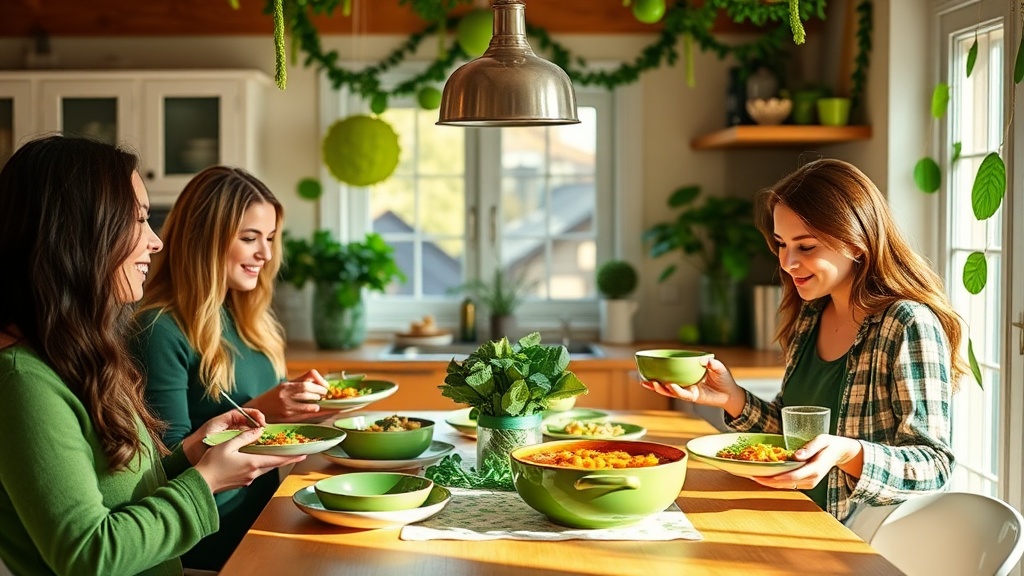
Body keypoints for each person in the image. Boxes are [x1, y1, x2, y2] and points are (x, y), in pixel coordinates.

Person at [0, 135, 304, 576]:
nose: (156, 241)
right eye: (138, 220)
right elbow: (90, 554)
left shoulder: (77, 359)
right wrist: (208, 480)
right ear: (79, 232)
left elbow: (120, 493)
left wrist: (194, 454)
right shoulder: (21, 380)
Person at [642, 158, 965, 523]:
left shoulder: (907, 324)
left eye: (806, 247)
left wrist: (847, 452)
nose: (787, 262)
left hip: (854, 536)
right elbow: (792, 440)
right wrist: (732, 398)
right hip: (790, 513)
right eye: (781, 244)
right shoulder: (810, 316)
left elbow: (934, 465)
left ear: (857, 244)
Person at [132, 165, 335, 570]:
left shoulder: (248, 320)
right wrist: (268, 409)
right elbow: (163, 468)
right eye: (250, 238)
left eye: (271, 239)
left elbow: (267, 430)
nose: (266, 253)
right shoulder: (159, 330)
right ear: (203, 240)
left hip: (260, 524)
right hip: (207, 542)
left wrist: (302, 407)